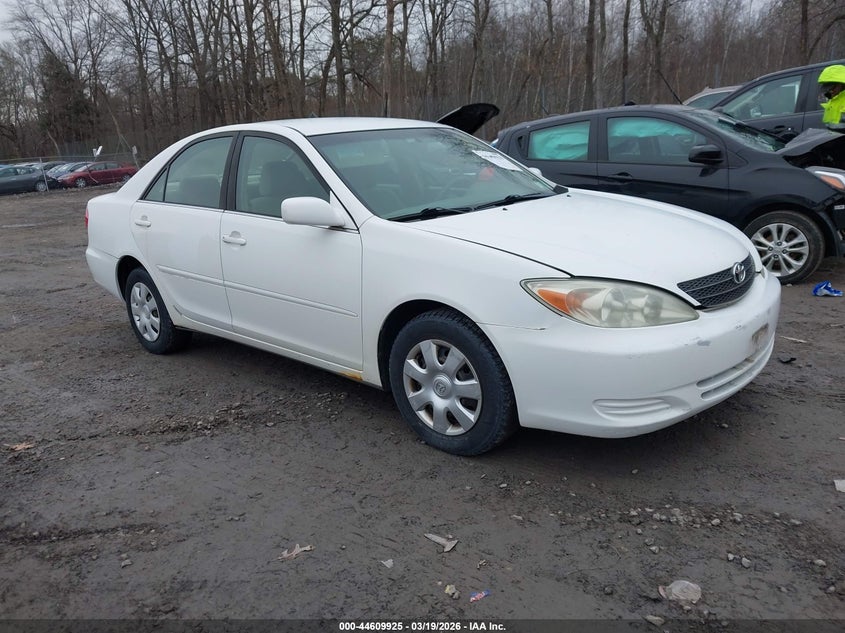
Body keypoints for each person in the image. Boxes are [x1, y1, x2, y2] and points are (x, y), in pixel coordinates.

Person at [818, 64, 845, 129]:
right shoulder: (831, 101)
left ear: (840, 85)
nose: (829, 91)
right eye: (826, 87)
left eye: (831, 87)